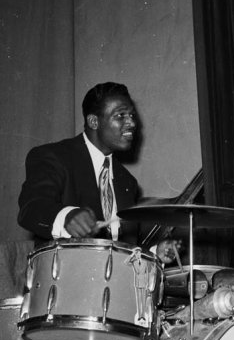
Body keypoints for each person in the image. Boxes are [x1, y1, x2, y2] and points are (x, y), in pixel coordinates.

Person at [18, 81, 178, 263]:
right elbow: (31, 208)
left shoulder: (127, 181)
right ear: (94, 121)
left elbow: (122, 247)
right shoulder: (54, 157)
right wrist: (66, 216)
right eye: (121, 115)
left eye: (132, 115)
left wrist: (154, 252)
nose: (132, 123)